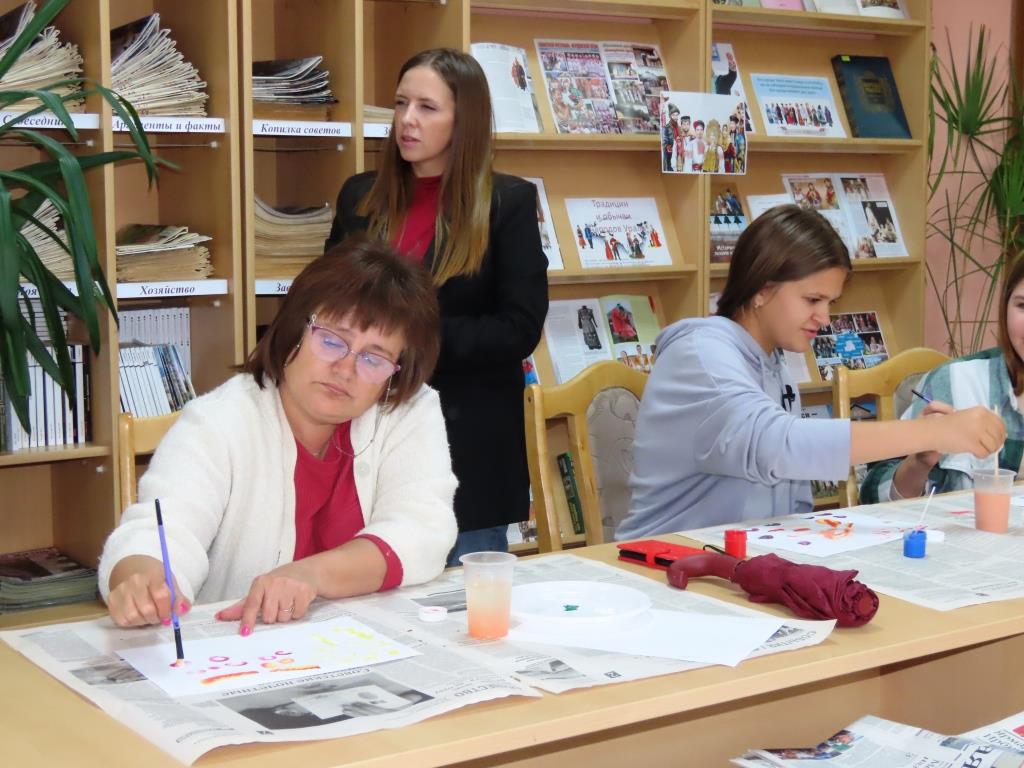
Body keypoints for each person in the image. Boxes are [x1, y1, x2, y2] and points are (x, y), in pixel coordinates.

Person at [100, 239, 458, 633]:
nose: (345, 369)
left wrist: (311, 574)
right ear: (295, 329)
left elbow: (423, 530)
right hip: (241, 647)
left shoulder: (408, 411)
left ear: (396, 372)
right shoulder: (219, 420)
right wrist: (143, 581)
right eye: (331, 340)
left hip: (368, 641)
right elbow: (164, 530)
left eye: (374, 358)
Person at [615, 205, 1006, 538]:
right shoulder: (701, 356)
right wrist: (934, 431)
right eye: (813, 299)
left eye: (830, 302)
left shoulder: (774, 362)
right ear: (761, 289)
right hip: (668, 567)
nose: (824, 318)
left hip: (747, 560)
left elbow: (791, 497)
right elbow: (777, 445)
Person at [324, 48, 548, 564]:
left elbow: (518, 327)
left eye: (427, 107)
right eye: (401, 103)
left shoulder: (506, 203)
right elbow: (330, 300)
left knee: (461, 606)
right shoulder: (359, 197)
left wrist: (408, 344)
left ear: (463, 120)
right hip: (363, 437)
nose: (407, 120)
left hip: (464, 447)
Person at [861, 256, 1024, 502]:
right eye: (1023, 306)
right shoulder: (955, 382)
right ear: (1005, 308)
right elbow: (873, 497)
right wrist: (919, 461)